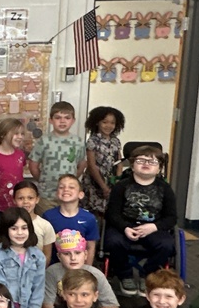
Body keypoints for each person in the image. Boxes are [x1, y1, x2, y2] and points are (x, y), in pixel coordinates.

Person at [104, 145, 177, 297]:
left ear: (159, 168)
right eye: (141, 160)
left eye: (152, 162)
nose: (146, 164)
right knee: (114, 242)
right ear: (132, 165)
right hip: (124, 226)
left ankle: (148, 275)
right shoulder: (121, 186)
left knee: (166, 244)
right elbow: (112, 214)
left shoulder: (165, 188)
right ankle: (125, 275)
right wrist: (125, 227)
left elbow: (171, 218)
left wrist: (154, 227)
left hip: (153, 227)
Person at [44, 230, 121, 308]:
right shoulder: (52, 272)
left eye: (77, 253)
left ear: (85, 255)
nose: (73, 258)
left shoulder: (96, 274)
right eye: (66, 254)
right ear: (59, 256)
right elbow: (46, 305)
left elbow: (112, 307)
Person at [0, 207, 46, 308]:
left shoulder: (38, 256)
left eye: (24, 228)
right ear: (6, 230)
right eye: (14, 228)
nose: (20, 233)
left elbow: (38, 289)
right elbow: (1, 287)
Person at [29, 100, 86, 208]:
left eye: (67, 118)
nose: (62, 121)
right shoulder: (43, 141)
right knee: (46, 218)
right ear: (51, 120)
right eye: (58, 117)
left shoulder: (78, 142)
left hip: (69, 195)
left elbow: (81, 165)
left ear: (73, 121)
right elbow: (33, 165)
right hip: (47, 195)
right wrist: (43, 180)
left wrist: (72, 179)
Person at [42, 175, 99, 264]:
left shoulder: (89, 218)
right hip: (55, 266)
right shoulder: (48, 216)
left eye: (71, 187)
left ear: (81, 194)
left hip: (79, 267)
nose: (66, 189)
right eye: (61, 187)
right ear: (57, 193)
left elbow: (90, 247)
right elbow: (45, 248)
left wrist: (87, 269)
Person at [82, 106, 125, 216]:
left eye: (112, 123)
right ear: (97, 122)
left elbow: (119, 162)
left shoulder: (116, 141)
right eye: (105, 122)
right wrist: (103, 187)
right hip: (95, 181)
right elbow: (91, 165)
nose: (108, 126)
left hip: (111, 181)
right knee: (95, 213)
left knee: (111, 211)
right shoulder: (92, 140)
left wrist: (117, 180)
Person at [0, 118, 26, 214]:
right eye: (16, 133)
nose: (20, 137)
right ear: (3, 134)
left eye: (22, 134)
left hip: (18, 204)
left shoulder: (20, 155)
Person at [13, 180, 55, 260]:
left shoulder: (45, 225)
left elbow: (46, 256)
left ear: (37, 199)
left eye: (30, 198)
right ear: (14, 200)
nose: (26, 201)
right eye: (21, 198)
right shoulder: (9, 223)